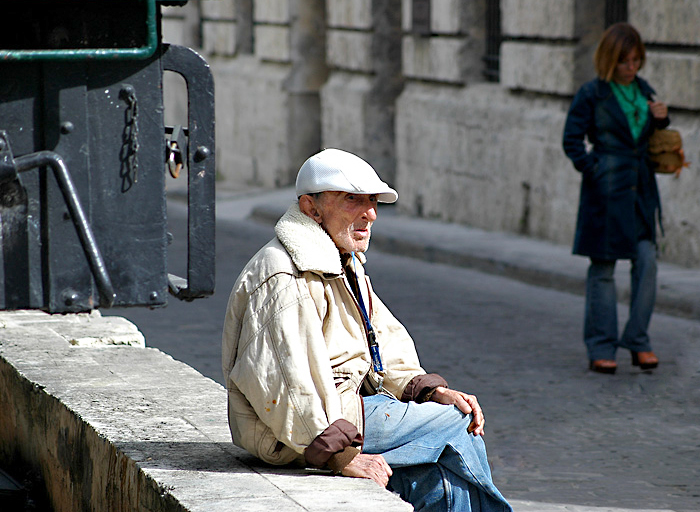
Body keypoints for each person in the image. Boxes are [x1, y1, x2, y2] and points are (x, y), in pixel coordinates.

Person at [222, 148, 512, 511]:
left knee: (437, 479)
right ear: (311, 208)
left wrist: (426, 390)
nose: (370, 214)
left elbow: (383, 339)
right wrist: (338, 456)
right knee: (457, 422)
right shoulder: (284, 272)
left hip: (343, 414)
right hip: (307, 431)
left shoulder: (341, 260)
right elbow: (285, 382)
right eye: (352, 200)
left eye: (373, 202)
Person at [562, 22, 676, 374]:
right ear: (611, 60)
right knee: (604, 269)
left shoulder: (644, 89)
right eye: (626, 60)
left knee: (647, 262)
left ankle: (638, 340)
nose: (632, 67)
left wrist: (662, 118)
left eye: (637, 59)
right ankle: (601, 346)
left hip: (640, 192)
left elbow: (650, 133)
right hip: (606, 193)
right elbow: (572, 140)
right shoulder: (592, 93)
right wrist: (594, 167)